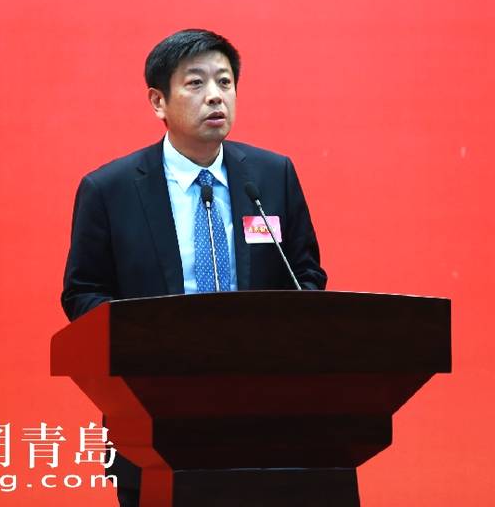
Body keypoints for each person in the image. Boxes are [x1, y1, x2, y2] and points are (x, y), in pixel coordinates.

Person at [61, 29, 327, 507]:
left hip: (266, 414)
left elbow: (306, 275)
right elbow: (83, 293)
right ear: (158, 102)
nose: (215, 96)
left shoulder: (272, 176)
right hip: (154, 412)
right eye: (196, 83)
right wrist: (147, 342)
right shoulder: (109, 190)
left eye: (225, 82)